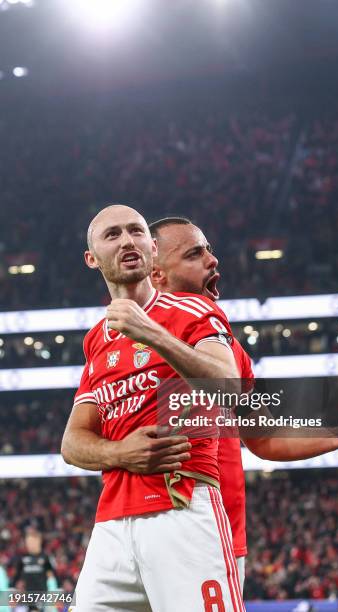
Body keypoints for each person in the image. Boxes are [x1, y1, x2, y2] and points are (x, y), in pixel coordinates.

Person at [147, 216, 338, 589]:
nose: (213, 260)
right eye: (195, 254)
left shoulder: (229, 351)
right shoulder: (122, 345)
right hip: (134, 532)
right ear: (156, 274)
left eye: (210, 250)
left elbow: (264, 439)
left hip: (213, 540)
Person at [62, 204, 245, 612]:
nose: (127, 240)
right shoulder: (97, 340)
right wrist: (118, 452)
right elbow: (72, 443)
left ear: (151, 247)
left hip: (182, 505)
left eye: (136, 231)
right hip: (111, 522)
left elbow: (231, 388)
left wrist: (151, 332)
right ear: (92, 259)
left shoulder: (195, 310)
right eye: (112, 235)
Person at [11, 529, 57, 612]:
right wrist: (12, 591)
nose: (30, 544)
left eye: (32, 541)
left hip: (42, 595)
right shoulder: (23, 559)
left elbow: (51, 577)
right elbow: (16, 576)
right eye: (28, 542)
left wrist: (52, 595)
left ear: (39, 541)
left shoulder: (45, 558)